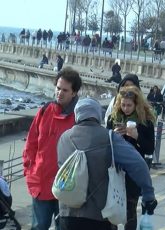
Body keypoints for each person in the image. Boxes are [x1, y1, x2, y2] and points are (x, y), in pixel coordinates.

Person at [56, 98, 157, 230]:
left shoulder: (64, 138)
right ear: (98, 115)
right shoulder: (109, 138)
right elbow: (139, 164)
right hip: (98, 217)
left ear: (77, 115)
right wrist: (148, 194)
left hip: (67, 215)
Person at [22, 67, 82, 230]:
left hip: (67, 186)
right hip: (41, 182)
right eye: (58, 88)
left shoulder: (79, 117)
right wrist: (29, 169)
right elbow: (31, 143)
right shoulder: (44, 111)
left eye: (65, 90)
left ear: (74, 92)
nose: (59, 93)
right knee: (39, 226)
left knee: (63, 227)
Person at [106, 86, 156, 230]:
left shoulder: (145, 122)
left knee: (130, 211)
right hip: (114, 170)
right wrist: (113, 135)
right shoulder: (112, 118)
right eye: (123, 105)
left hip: (133, 173)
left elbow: (149, 149)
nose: (126, 108)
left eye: (129, 105)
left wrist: (137, 136)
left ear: (136, 105)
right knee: (111, 210)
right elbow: (105, 144)